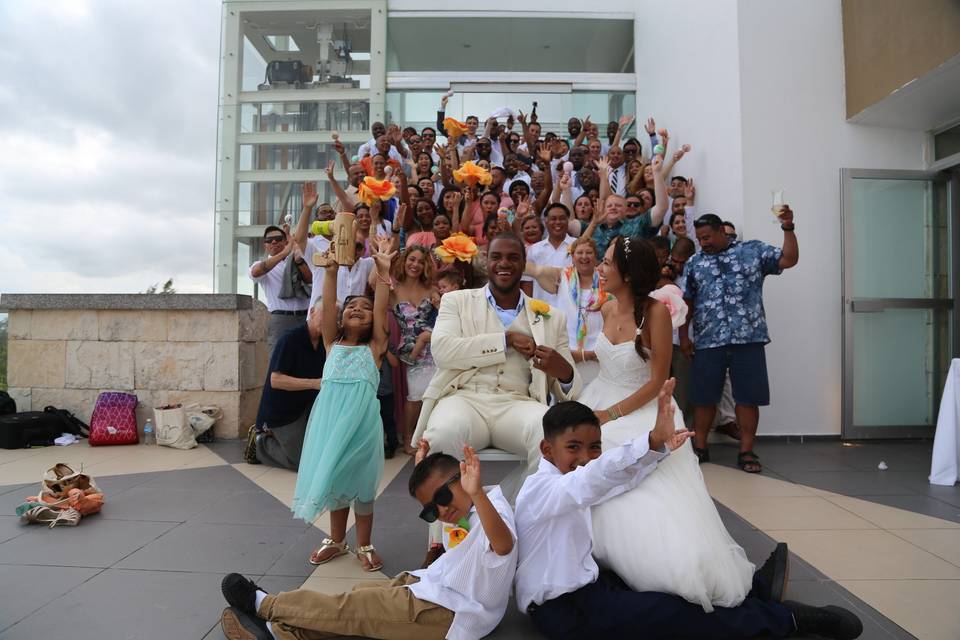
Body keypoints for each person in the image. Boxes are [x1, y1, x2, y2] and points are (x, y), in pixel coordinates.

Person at [514, 394, 864, 640]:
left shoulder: (570, 481)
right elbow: (593, 479)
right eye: (573, 447)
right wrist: (649, 438)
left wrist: (658, 451)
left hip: (590, 588)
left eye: (594, 448)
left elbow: (611, 483)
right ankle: (786, 620)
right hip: (565, 612)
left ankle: (755, 590)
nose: (586, 457)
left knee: (665, 583)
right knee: (676, 614)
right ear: (547, 449)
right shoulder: (540, 490)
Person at [218, 446, 518, 640]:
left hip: (448, 611)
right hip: (432, 586)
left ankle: (265, 605)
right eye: (430, 509)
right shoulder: (471, 510)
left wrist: (475, 492)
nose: (441, 511)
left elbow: (502, 546)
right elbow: (467, 529)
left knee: (354, 607)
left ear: (466, 475)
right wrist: (426, 471)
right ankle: (280, 634)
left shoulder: (494, 509)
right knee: (360, 605)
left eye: (442, 498)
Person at [412, 232, 581, 512]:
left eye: (513, 257)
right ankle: (441, 542)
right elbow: (443, 352)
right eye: (497, 257)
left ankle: (507, 514)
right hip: (464, 397)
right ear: (485, 262)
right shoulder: (457, 301)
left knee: (553, 439)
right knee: (441, 436)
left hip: (517, 401)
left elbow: (571, 387)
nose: (505, 263)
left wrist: (562, 370)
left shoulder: (551, 316)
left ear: (524, 263)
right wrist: (506, 339)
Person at [294, 237, 393, 573]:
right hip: (331, 421)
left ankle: (364, 543)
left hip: (362, 424)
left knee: (363, 485)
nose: (356, 309)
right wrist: (331, 271)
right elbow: (331, 301)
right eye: (352, 306)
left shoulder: (375, 347)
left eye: (363, 309)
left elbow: (380, 307)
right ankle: (336, 540)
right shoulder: (331, 342)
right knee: (336, 481)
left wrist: (383, 273)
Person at [680, 211, 799, 472]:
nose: (704, 243)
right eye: (700, 239)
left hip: (749, 338)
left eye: (708, 237)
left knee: (748, 397)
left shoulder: (752, 251)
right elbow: (686, 302)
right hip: (708, 340)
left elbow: (789, 259)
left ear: (723, 231)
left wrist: (788, 228)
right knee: (704, 397)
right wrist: (684, 337)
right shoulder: (694, 263)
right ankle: (700, 447)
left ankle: (747, 451)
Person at [245, 302, 325, 470]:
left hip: (305, 409)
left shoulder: (326, 343)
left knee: (317, 454)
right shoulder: (290, 339)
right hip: (281, 414)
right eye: (325, 314)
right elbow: (276, 380)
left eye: (334, 317)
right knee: (300, 463)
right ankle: (260, 442)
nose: (329, 320)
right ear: (312, 311)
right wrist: (314, 383)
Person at [524, 238, 608, 385]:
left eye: (589, 252)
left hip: (597, 356)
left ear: (596, 256)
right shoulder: (561, 276)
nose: (584, 256)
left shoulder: (607, 280)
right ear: (572, 257)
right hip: (566, 354)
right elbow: (533, 269)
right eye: (579, 253)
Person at [382, 244, 438, 455]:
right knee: (415, 396)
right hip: (411, 349)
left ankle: (431, 436)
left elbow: (445, 314)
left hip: (436, 345)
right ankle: (408, 438)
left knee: (435, 393)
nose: (415, 264)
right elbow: (372, 283)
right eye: (411, 259)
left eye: (420, 261)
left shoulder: (432, 289)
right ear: (404, 261)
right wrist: (384, 259)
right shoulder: (393, 290)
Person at [249, 225, 311, 357]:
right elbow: (256, 272)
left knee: (306, 358)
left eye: (278, 239)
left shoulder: (298, 259)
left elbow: (311, 280)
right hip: (281, 318)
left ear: (285, 241)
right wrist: (284, 253)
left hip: (305, 317)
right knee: (279, 360)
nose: (274, 242)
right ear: (265, 245)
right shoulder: (260, 264)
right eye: (269, 240)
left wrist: (298, 260)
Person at [526, 203, 576, 306]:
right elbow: (528, 282)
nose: (558, 222)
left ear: (568, 221)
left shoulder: (578, 246)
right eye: (553, 219)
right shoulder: (534, 250)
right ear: (546, 222)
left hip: (572, 308)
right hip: (542, 311)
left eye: (562, 218)